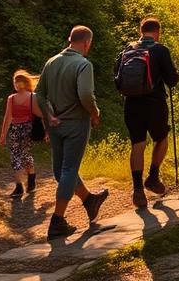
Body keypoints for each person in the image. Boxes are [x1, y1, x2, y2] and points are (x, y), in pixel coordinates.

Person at [35, 25, 109, 241]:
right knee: (68, 169)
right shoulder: (83, 65)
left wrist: (49, 115)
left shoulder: (52, 62)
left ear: (70, 40)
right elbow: (86, 94)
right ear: (86, 43)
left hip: (54, 124)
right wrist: (94, 114)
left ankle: (89, 201)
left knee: (60, 171)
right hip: (76, 123)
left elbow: (39, 93)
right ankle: (57, 221)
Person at [114, 15, 179, 208]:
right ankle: (152, 177)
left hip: (131, 104)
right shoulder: (160, 50)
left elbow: (117, 78)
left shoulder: (127, 50)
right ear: (157, 32)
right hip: (155, 104)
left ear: (140, 32)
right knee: (162, 138)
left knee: (138, 144)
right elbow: (172, 81)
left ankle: (137, 190)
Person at [0, 70, 44, 199]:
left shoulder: (31, 97)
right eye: (15, 82)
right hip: (20, 130)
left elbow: (38, 114)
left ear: (24, 83)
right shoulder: (12, 98)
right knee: (20, 155)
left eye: (19, 82)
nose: (16, 84)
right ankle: (29, 181)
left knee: (18, 156)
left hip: (23, 129)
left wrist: (47, 129)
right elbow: (8, 117)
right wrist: (3, 135)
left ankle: (23, 185)